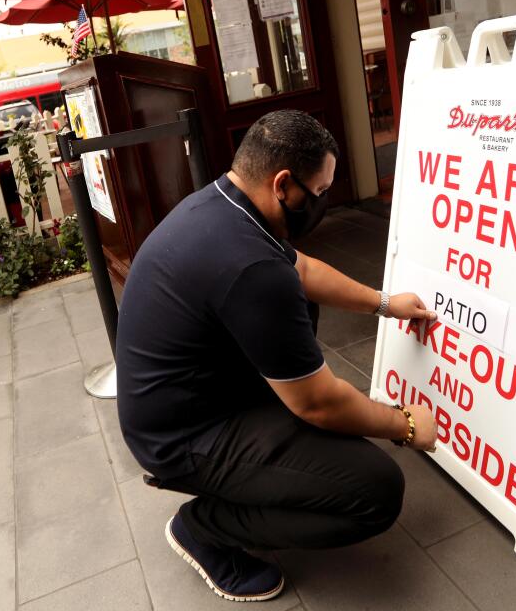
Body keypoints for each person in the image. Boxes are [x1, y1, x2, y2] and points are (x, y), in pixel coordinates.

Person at [115, 109, 438, 603]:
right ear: (283, 184)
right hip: (182, 437)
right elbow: (319, 404)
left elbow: (301, 269)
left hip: (184, 399)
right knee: (375, 489)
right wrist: (406, 425)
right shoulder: (249, 266)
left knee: (296, 295)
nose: (325, 200)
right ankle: (205, 529)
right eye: (321, 191)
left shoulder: (224, 205)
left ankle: (257, 475)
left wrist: (384, 303)